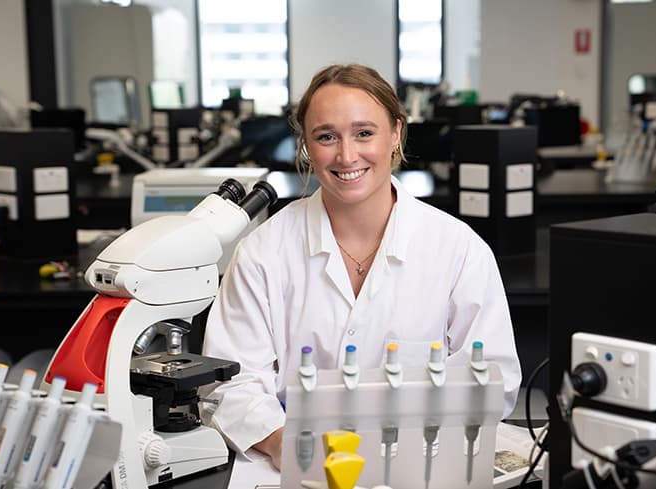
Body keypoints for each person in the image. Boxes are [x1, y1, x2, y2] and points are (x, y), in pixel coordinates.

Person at [199, 63, 521, 470]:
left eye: (364, 133)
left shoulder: (459, 251)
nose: (346, 155)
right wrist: (285, 443)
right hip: (301, 471)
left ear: (396, 134)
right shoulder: (262, 252)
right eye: (326, 137)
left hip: (420, 468)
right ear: (306, 146)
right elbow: (232, 383)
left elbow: (494, 382)